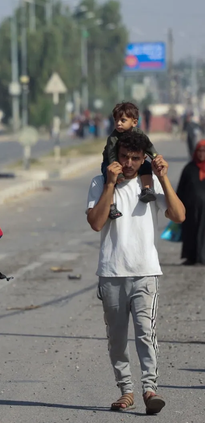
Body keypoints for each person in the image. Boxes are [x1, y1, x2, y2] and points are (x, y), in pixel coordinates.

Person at [86, 131, 185, 414]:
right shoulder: (99, 183)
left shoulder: (150, 183)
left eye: (135, 158)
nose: (128, 163)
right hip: (111, 272)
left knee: (146, 333)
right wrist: (109, 184)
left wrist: (163, 178)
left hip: (145, 273)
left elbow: (179, 216)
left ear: (144, 159)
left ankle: (150, 389)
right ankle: (126, 390)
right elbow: (95, 223)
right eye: (124, 157)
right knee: (116, 338)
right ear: (116, 156)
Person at [101, 102, 159, 219]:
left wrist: (156, 158)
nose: (118, 123)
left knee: (147, 166)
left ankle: (147, 189)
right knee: (109, 175)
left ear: (134, 122)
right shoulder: (113, 138)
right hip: (111, 161)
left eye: (122, 120)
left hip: (127, 160)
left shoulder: (139, 134)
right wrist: (119, 174)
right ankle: (111, 205)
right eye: (116, 120)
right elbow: (112, 155)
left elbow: (148, 146)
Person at [176, 140, 205, 265]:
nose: (201, 154)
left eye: (204, 151)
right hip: (190, 208)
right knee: (190, 231)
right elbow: (181, 188)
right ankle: (191, 257)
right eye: (199, 151)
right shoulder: (189, 168)